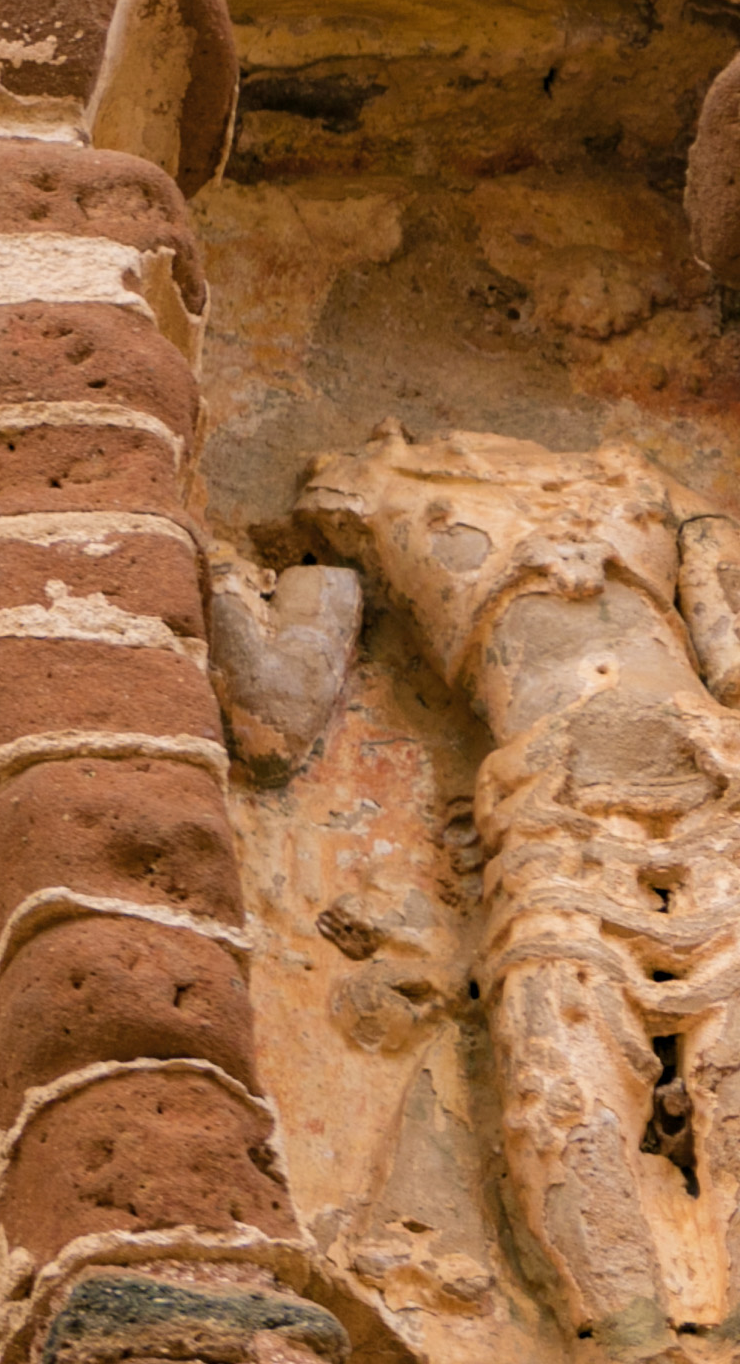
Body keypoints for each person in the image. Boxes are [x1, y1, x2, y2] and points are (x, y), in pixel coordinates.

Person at [308, 427, 740, 1359]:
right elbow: (281, 712)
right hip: (552, 806)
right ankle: (629, 1336)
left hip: (717, 790)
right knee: (557, 1085)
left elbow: (731, 652)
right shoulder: (371, 480)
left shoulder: (651, 483)